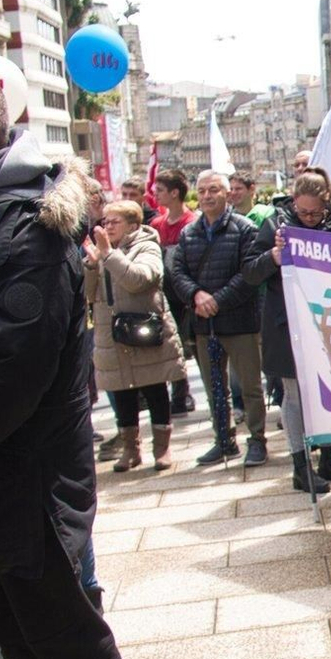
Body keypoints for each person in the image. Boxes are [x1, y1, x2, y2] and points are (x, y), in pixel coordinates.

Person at [0, 73, 169, 659]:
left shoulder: (25, 229)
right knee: (9, 621)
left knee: (63, 624)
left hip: (27, 478)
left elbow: (1, 375)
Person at [245, 170, 331, 494]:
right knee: (294, 396)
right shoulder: (275, 223)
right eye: (303, 212)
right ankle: (300, 465)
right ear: (294, 202)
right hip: (287, 324)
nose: (308, 219)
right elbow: (250, 272)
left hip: (330, 320)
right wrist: (274, 257)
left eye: (315, 213)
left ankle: (328, 458)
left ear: (328, 204)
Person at [169, 170, 268, 466]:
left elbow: (248, 275)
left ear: (227, 193)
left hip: (239, 321)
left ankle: (257, 440)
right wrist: (196, 295)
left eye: (214, 190)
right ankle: (223, 440)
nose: (207, 196)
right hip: (203, 323)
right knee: (215, 389)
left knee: (250, 386)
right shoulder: (189, 232)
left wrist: (217, 300)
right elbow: (177, 272)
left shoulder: (245, 228)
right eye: (202, 191)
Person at [83, 201, 187, 472]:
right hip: (111, 332)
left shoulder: (147, 245)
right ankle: (131, 449)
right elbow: (87, 293)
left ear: (132, 225)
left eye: (114, 222)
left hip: (144, 329)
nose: (107, 227)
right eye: (105, 221)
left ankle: (161, 448)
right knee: (121, 389)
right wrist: (92, 266)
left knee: (154, 387)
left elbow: (139, 279)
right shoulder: (103, 250)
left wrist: (109, 255)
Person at [151, 167, 198, 416]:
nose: (154, 194)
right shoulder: (157, 224)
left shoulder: (192, 223)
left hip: (189, 295)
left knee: (193, 345)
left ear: (175, 192)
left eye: (159, 190)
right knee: (172, 346)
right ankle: (180, 393)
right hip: (166, 295)